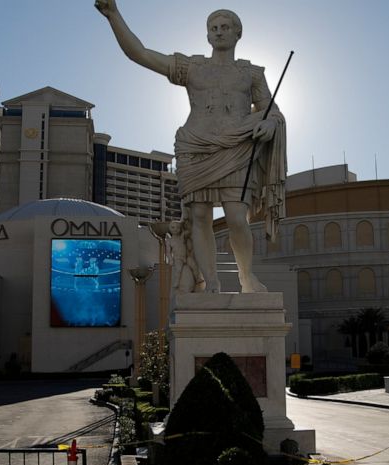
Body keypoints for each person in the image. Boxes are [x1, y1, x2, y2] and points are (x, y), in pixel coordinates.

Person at [96, 0, 286, 293]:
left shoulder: (252, 73)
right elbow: (140, 54)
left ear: (237, 33)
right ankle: (211, 282)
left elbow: (271, 110)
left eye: (225, 27)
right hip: (194, 147)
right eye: (213, 28)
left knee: (237, 217)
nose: (219, 32)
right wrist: (113, 15)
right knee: (199, 216)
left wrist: (270, 123)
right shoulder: (192, 67)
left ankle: (246, 276)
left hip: (236, 148)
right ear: (207, 35)